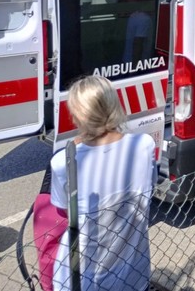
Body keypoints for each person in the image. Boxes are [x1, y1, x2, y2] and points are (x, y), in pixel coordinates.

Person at [50, 76, 156, 291]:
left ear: (78, 115)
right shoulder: (144, 145)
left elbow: (64, 211)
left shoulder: (65, 161)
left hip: (82, 277)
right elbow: (149, 189)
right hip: (132, 270)